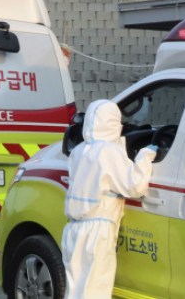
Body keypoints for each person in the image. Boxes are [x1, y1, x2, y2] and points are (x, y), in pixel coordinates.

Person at [61, 100, 158, 299]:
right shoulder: (109, 152)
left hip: (73, 230)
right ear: (113, 123)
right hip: (98, 232)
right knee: (95, 292)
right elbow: (134, 186)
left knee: (76, 291)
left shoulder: (79, 151)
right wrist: (146, 155)